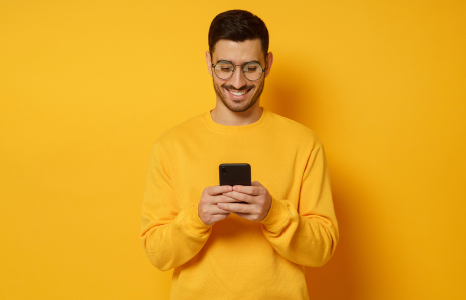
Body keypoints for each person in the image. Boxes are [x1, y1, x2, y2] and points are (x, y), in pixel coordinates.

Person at [140, 9, 339, 300]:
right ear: (209, 63)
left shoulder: (304, 144)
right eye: (225, 67)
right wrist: (197, 218)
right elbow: (157, 254)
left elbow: (322, 250)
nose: (237, 82)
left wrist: (272, 213)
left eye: (250, 67)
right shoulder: (171, 146)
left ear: (268, 64)